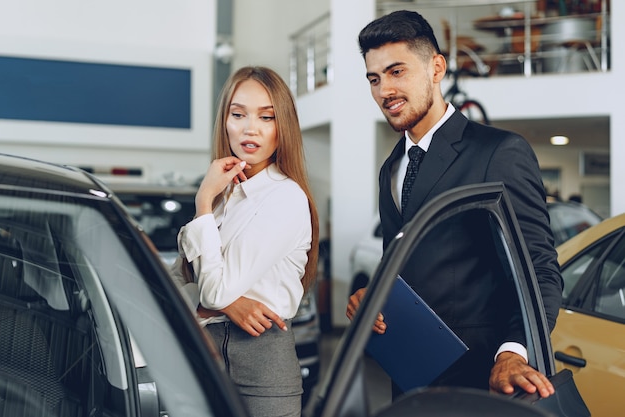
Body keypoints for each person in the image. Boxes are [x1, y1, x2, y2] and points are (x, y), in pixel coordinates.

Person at [345, 10, 563, 400]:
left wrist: (514, 354)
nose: (384, 91)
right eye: (374, 79)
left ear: (436, 68)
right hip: (409, 377)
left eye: (397, 72)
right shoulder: (390, 168)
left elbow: (541, 271)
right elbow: (407, 264)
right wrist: (375, 295)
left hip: (482, 380)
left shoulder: (499, 152)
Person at [171, 66, 319, 417]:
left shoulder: (286, 197)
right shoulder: (225, 194)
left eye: (266, 117)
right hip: (203, 352)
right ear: (225, 121)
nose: (250, 128)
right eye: (238, 114)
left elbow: (211, 291)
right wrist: (226, 305)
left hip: (261, 360)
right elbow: (178, 281)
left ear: (282, 129)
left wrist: (202, 202)